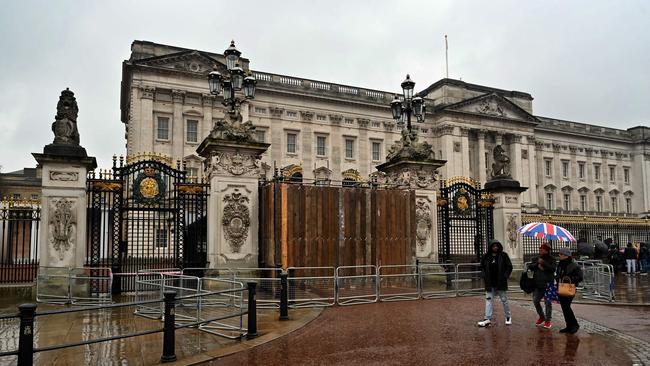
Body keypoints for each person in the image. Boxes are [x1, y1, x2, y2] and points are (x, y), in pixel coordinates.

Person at [477, 239, 513, 327]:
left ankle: (508, 317)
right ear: (490, 247)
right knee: (488, 300)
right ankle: (487, 319)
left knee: (504, 300)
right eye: (493, 246)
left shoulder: (503, 255)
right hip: (490, 282)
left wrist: (505, 276)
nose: (495, 247)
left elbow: (509, 266)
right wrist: (483, 274)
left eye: (496, 246)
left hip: (500, 282)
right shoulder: (486, 256)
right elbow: (481, 267)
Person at [528, 243, 556, 329]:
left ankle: (548, 320)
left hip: (548, 283)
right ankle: (542, 316)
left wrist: (544, 264)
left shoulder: (552, 259)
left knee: (547, 303)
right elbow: (530, 266)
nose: (540, 250)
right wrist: (537, 264)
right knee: (536, 301)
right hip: (538, 284)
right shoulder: (537, 258)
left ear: (547, 250)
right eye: (540, 249)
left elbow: (553, 269)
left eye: (542, 249)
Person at [556, 246, 583, 334]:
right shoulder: (560, 264)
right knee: (564, 307)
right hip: (561, 287)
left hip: (570, 288)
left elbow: (580, 277)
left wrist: (569, 278)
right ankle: (569, 325)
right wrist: (557, 278)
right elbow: (558, 274)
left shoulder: (574, 265)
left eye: (561, 254)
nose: (559, 255)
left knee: (567, 307)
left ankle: (574, 325)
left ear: (566, 255)